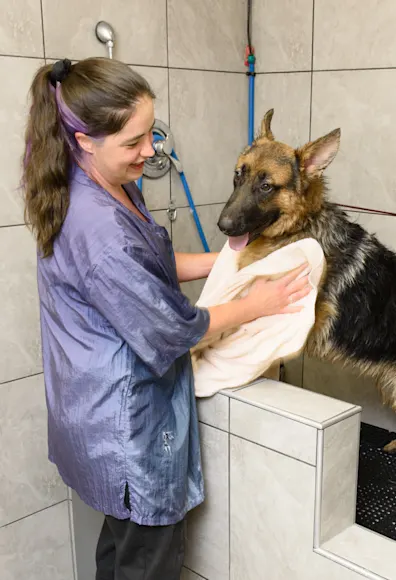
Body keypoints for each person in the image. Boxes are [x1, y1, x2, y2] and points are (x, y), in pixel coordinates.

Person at [22, 57, 311, 580]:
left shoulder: (96, 181)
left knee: (118, 549)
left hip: (94, 415)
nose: (150, 151)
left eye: (149, 133)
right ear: (86, 139)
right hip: (125, 428)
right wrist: (258, 303)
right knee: (148, 564)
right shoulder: (99, 231)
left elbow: (150, 263)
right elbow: (174, 331)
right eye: (134, 142)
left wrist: (229, 262)